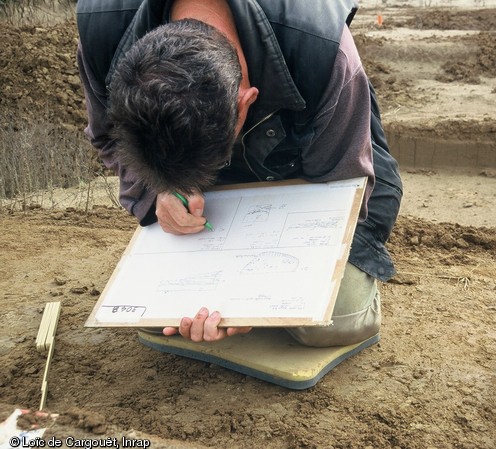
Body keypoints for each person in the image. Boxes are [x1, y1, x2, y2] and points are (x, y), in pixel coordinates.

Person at [76, 0, 402, 348]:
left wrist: (251, 296)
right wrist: (161, 191)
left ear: (245, 102)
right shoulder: (104, 31)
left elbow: (342, 187)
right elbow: (107, 137)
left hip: (312, 165)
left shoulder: (322, 49)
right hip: (219, 176)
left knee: (335, 322)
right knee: (157, 313)